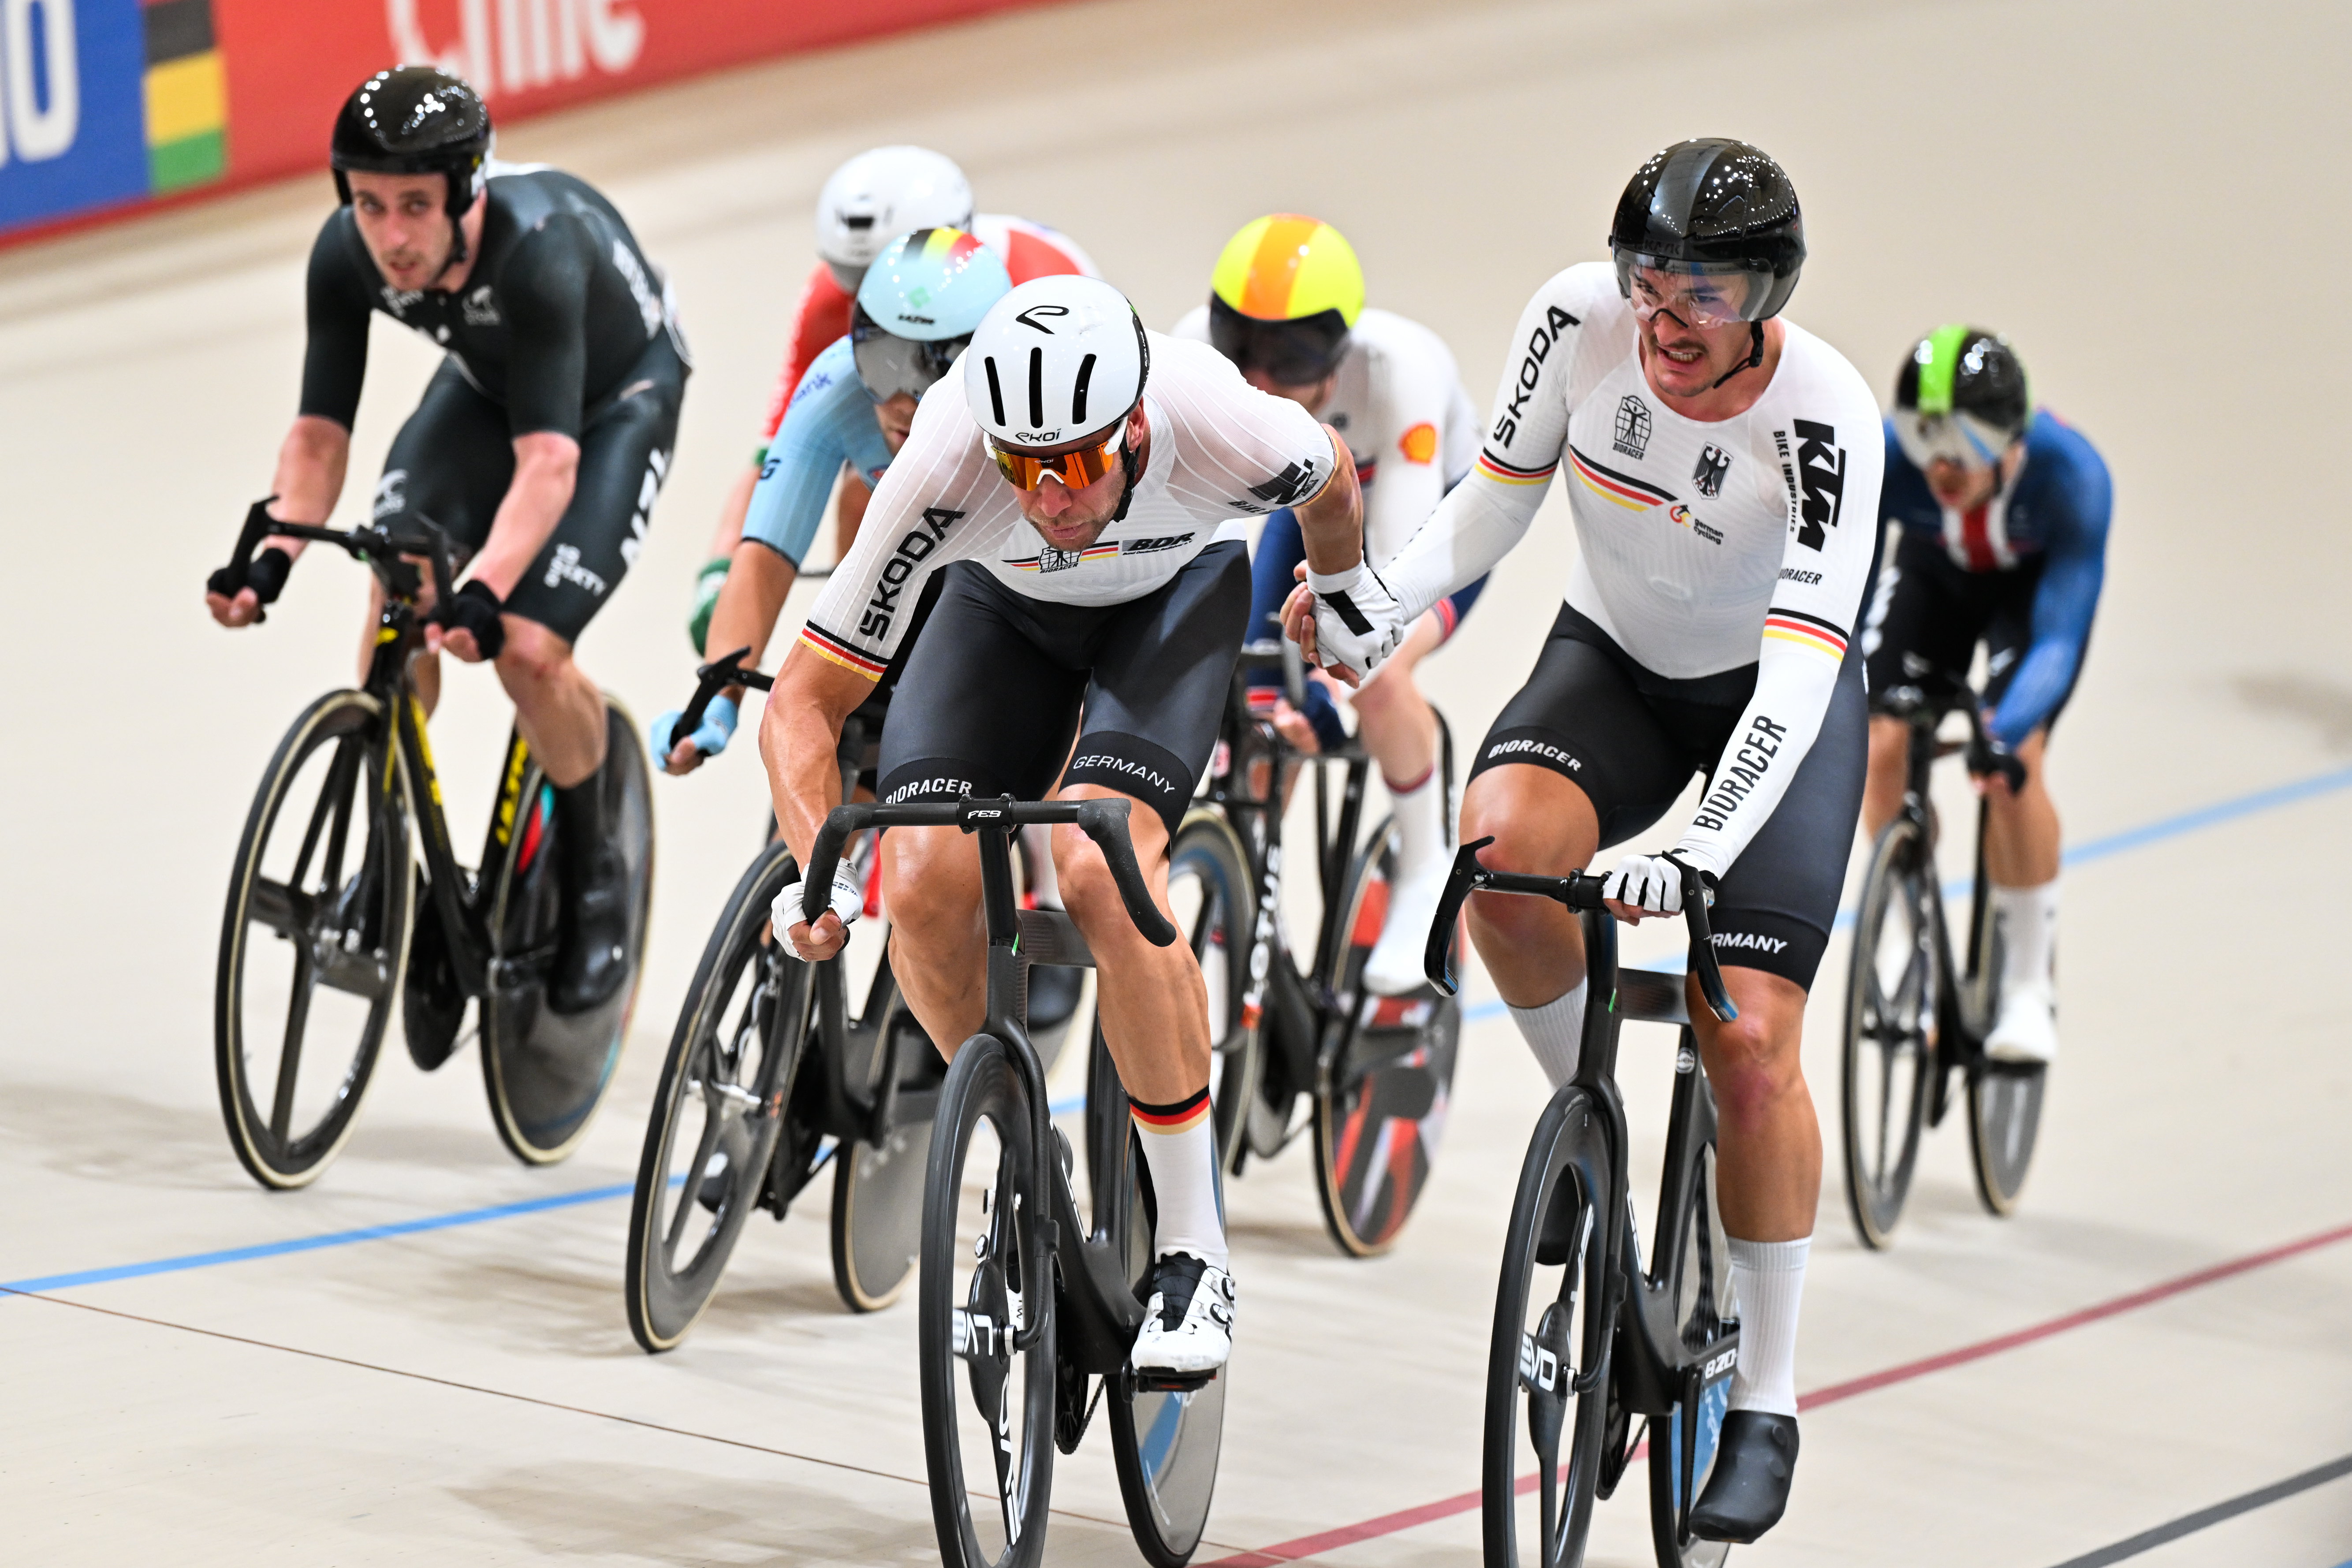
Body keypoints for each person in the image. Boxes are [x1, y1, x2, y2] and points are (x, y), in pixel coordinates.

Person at [1284, 139, 1882, 1542]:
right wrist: (1375, 601)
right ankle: (1593, 1153)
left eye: (1705, 293)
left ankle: (1769, 1398)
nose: (1665, 319)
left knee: (1744, 1041)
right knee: (1496, 864)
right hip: (1612, 662)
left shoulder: (1826, 419)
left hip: (1772, 704)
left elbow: (1795, 680)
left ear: (1767, 294)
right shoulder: (1575, 319)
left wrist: (1700, 847)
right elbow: (1491, 504)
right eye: (1646, 281)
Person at [759, 275, 1362, 1375]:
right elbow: (802, 704)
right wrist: (822, 876)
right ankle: (1021, 1156)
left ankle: (1192, 1247)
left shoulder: (1215, 420)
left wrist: (1344, 592)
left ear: (1135, 426)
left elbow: (1329, 472)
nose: (1052, 497)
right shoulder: (944, 465)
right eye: (1023, 468)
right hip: (1004, 614)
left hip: (1173, 601)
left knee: (1098, 862)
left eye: (1077, 464)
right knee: (927, 872)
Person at [203, 66, 688, 1039]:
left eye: (416, 206)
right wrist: (275, 557)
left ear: (467, 191)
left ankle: (595, 874)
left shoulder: (540, 251)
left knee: (523, 648)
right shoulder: (347, 255)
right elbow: (317, 437)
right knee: (397, 585)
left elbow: (549, 465)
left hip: (613, 402)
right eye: (370, 204)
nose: (391, 235)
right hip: (490, 385)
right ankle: (388, 849)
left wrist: (485, 591)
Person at [1173, 214, 1481, 994]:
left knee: (1374, 679)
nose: (1263, 379)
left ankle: (1424, 869)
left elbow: (1399, 570)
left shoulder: (1403, 365)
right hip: (1309, 497)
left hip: (1433, 516)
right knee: (1261, 707)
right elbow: (1192, 533)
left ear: (1340, 349)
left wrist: (1333, 681)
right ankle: (1244, 896)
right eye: (1242, 350)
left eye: (1292, 357)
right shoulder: (1191, 354)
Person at [685, 146, 1097, 651]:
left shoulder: (1042, 286)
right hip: (918, 437)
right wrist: (722, 566)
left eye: (884, 270)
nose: (873, 300)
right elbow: (780, 451)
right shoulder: (834, 302)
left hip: (1026, 426)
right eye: (851, 279)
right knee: (862, 492)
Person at [649, 226, 1013, 771]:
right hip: (907, 560)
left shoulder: (1019, 402)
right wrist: (718, 697)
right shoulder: (834, 388)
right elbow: (765, 556)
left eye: (928, 372)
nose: (896, 400)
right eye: (879, 364)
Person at [1861, 327, 2110, 1063]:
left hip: (2026, 599)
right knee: (1879, 744)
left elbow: (2059, 639)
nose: (1942, 461)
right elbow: (1850, 583)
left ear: (2011, 439)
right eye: (1925, 436)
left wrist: (2003, 732)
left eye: (1968, 441)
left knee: (2012, 766)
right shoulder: (1884, 459)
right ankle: (1914, 934)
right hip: (1936, 575)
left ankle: (2030, 987)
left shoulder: (2074, 479)